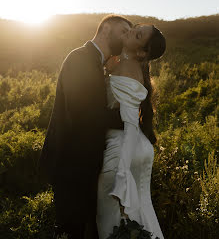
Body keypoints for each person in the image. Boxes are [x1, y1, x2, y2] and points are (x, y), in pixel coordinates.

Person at [37, 14, 132, 239]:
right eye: (124, 32)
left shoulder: (98, 63)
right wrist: (127, 119)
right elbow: (84, 114)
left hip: (85, 167)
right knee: (73, 230)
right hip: (71, 167)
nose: (127, 38)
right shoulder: (79, 58)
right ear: (106, 28)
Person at [96, 24, 166, 239]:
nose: (129, 31)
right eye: (136, 27)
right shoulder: (127, 65)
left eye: (136, 34)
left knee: (111, 222)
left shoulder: (127, 69)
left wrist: (122, 173)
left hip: (123, 149)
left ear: (142, 52)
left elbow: (130, 124)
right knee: (143, 212)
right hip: (140, 147)